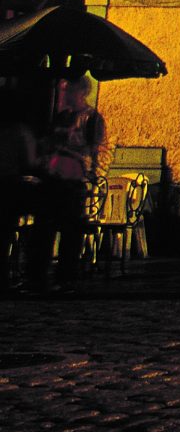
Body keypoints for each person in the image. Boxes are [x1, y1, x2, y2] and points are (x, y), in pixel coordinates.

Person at [29, 78, 105, 292]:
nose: (64, 94)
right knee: (44, 230)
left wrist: (71, 145)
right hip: (54, 178)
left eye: (67, 90)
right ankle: (39, 277)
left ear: (80, 91)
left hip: (74, 179)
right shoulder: (61, 117)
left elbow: (94, 150)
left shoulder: (91, 118)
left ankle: (66, 278)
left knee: (71, 232)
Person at [0, 110, 39, 291]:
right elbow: (29, 160)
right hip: (10, 185)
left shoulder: (12, 133)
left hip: (8, 183)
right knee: (7, 231)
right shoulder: (21, 132)